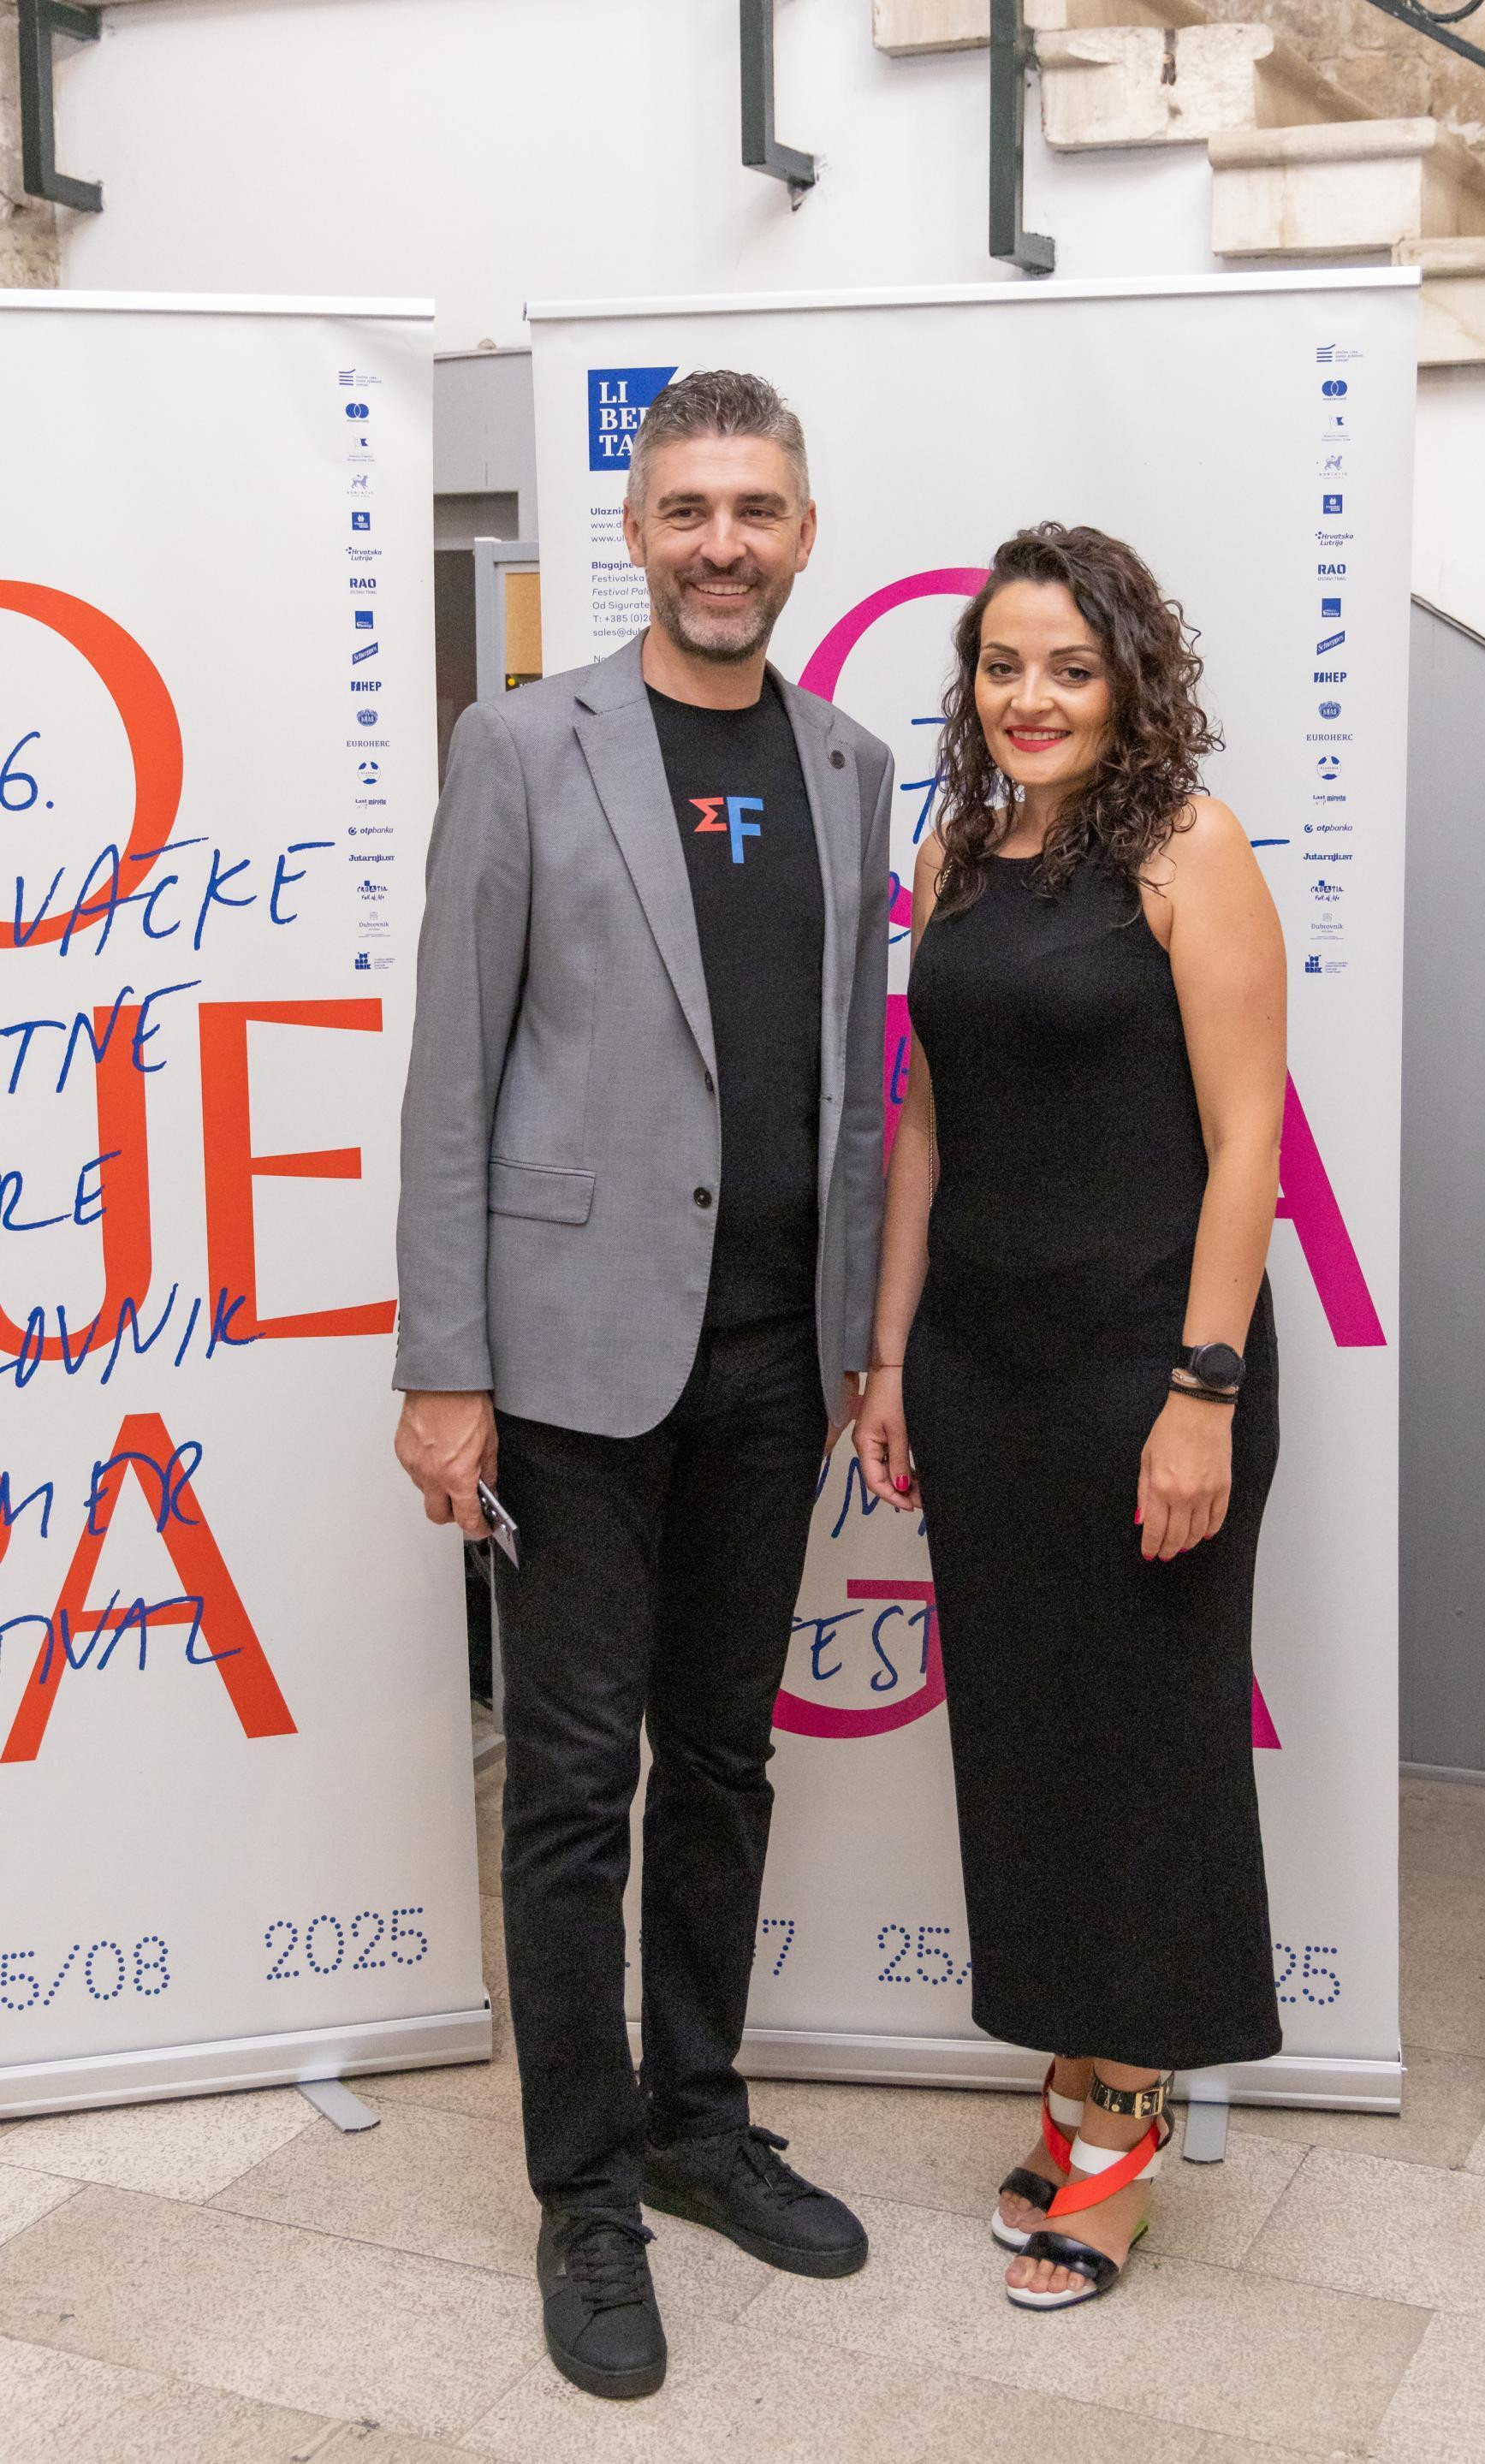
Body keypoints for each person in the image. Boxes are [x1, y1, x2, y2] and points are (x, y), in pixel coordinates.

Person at [393, 371, 892, 2401]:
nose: (721, 543)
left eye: (755, 508)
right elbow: (452, 1070)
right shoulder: (525, 745)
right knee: (574, 1785)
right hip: (572, 1362)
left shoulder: (851, 763)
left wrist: (859, 1340)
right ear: (636, 530)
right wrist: (446, 1368)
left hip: (777, 1357)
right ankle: (586, 2193)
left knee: (730, 1761)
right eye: (687, 508)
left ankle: (698, 2120)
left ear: (803, 533)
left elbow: (851, 1079)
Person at [857, 522, 1286, 2313]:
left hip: (1147, 1371)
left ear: (1129, 681)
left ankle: (1126, 2116)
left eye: (1070, 668)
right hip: (984, 1371)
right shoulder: (956, 856)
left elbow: (1249, 1144)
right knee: (1030, 1741)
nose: (1029, 698)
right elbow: (928, 1128)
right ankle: (1075, 2069)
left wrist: (1203, 1394)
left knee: (1147, 1743)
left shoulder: (1191, 848)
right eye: (1003, 666)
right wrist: (891, 1358)